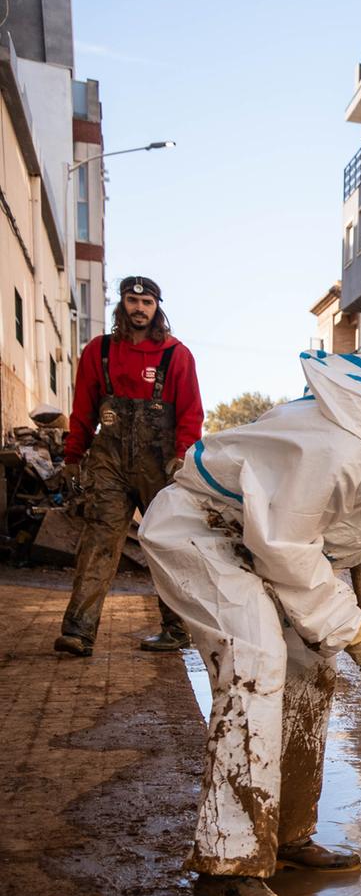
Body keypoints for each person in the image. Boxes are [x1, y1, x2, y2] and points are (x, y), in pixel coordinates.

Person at [138, 334, 361, 896]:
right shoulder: (337, 442)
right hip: (204, 532)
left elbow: (331, 528)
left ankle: (286, 835)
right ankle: (228, 871)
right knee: (255, 660)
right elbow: (287, 548)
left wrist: (344, 571)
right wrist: (351, 625)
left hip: (264, 541)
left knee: (309, 670)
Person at [54, 276, 204, 657]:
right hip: (110, 461)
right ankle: (78, 632)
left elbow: (191, 411)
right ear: (121, 305)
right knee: (99, 542)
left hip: (161, 463)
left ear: (157, 308)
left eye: (147, 302)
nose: (139, 308)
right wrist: (73, 457)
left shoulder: (177, 355)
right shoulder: (99, 352)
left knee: (164, 544)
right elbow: (83, 410)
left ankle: (176, 628)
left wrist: (181, 453)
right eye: (132, 300)